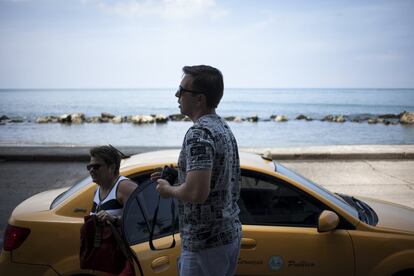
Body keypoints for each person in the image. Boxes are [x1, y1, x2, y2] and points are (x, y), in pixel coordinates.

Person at [153, 65, 242, 276]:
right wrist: (179, 177)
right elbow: (217, 178)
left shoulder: (198, 133)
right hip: (227, 235)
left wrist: (168, 190)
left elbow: (196, 193)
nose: (177, 94)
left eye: (182, 90)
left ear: (199, 99)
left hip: (205, 243)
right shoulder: (222, 127)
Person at [87, 145, 137, 276]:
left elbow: (140, 222)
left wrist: (113, 219)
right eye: (89, 167)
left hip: (126, 256)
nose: (91, 170)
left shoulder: (125, 187)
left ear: (112, 167)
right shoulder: (97, 190)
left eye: (96, 166)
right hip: (109, 257)